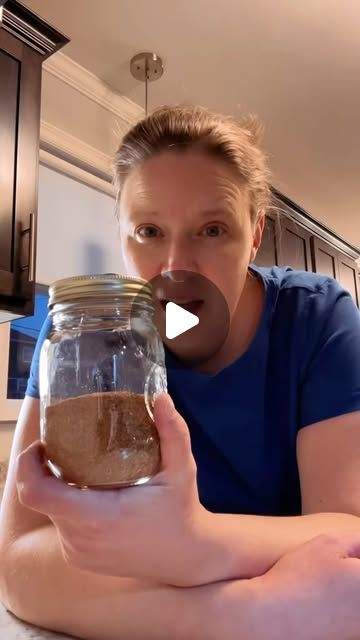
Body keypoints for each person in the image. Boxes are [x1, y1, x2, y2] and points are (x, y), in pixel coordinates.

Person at [1, 105, 360, 639]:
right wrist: (247, 611)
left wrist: (193, 542)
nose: (175, 266)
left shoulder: (316, 319)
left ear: (255, 233)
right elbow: (18, 564)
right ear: (121, 233)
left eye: (212, 229)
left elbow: (348, 536)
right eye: (148, 230)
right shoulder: (84, 334)